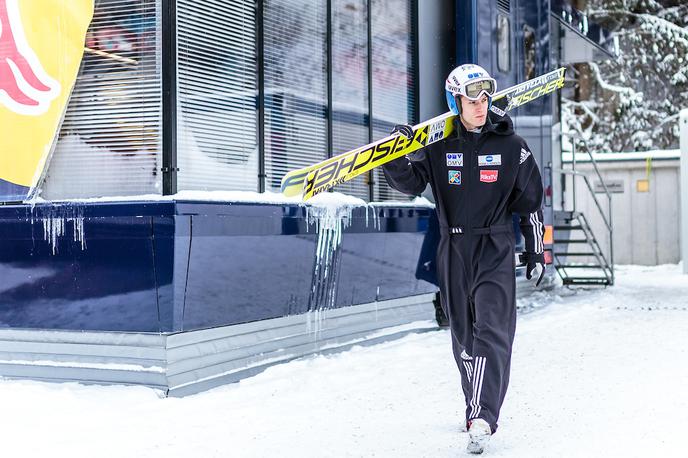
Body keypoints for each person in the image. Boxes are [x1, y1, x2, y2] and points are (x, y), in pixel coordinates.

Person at [383, 63, 546, 454]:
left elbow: (532, 202)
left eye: (485, 98)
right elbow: (409, 182)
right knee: (463, 337)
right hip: (453, 249)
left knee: (493, 331)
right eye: (471, 99)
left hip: (496, 248)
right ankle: (473, 403)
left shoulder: (513, 147)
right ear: (455, 102)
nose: (480, 105)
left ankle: (484, 415)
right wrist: (395, 153)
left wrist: (536, 249)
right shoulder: (439, 145)